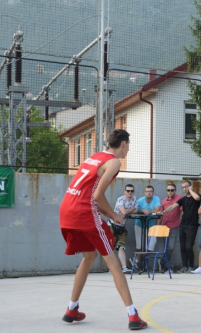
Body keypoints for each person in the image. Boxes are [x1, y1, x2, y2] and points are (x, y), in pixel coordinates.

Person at [59, 129, 147, 330]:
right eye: (129, 145)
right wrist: (115, 215)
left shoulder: (94, 157)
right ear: (124, 144)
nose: (128, 150)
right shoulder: (115, 162)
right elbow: (97, 196)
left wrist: (109, 214)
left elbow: (87, 195)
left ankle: (71, 309)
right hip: (83, 213)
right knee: (114, 262)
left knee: (88, 257)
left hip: (66, 211)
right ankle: (133, 317)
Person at [159, 180, 201, 274]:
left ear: (190, 186)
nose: (185, 189)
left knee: (189, 247)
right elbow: (173, 207)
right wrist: (163, 212)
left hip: (192, 225)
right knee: (182, 247)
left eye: (187, 186)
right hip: (183, 225)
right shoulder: (183, 199)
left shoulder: (196, 196)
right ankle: (184, 267)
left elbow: (197, 198)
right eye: (183, 187)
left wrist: (191, 190)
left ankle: (190, 266)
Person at [110, 184, 138, 274]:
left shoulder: (134, 199)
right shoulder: (120, 199)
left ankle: (124, 267)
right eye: (128, 191)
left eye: (132, 191)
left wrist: (128, 210)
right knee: (110, 248)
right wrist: (131, 209)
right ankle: (112, 268)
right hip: (112, 226)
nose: (130, 192)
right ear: (124, 191)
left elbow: (136, 211)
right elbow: (124, 212)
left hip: (122, 227)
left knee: (121, 247)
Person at [157, 183, 183, 273]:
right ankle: (170, 267)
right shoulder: (163, 201)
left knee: (170, 248)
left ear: (175, 191)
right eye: (168, 190)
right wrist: (158, 226)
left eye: (172, 190)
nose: (170, 192)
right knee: (166, 248)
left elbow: (181, 208)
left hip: (174, 227)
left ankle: (162, 261)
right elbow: (161, 215)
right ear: (166, 191)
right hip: (164, 227)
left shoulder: (179, 197)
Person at [134, 185, 161, 269]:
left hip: (151, 225)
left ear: (153, 192)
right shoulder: (140, 200)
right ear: (144, 192)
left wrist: (148, 211)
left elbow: (157, 210)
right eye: (147, 191)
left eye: (150, 191)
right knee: (141, 246)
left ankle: (135, 261)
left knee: (150, 246)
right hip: (140, 224)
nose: (149, 193)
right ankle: (141, 265)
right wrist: (142, 210)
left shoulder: (156, 199)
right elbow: (135, 211)